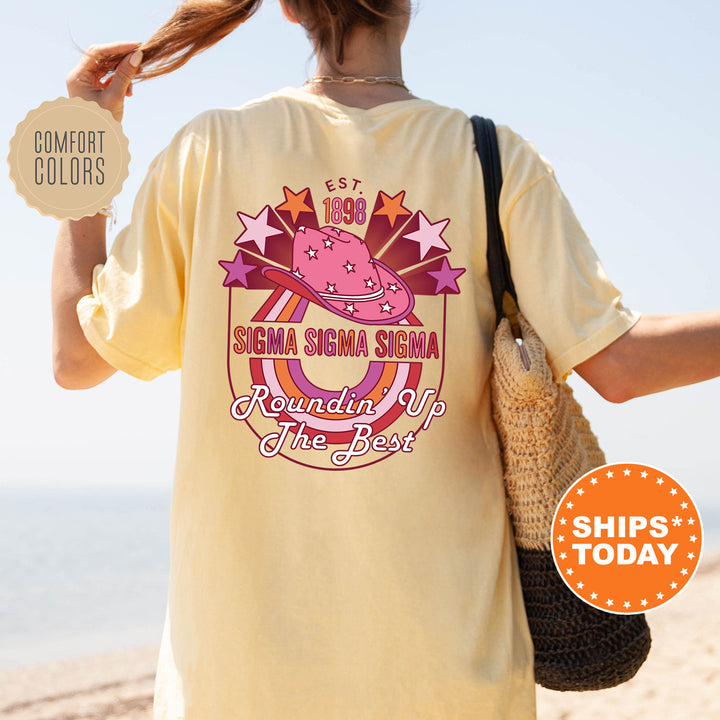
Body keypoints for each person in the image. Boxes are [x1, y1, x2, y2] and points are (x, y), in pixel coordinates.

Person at [53, 1, 720, 719]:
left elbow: (76, 359)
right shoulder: (491, 160)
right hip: (450, 676)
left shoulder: (208, 150)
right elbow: (620, 366)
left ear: (286, 8)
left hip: (237, 682)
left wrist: (86, 143)